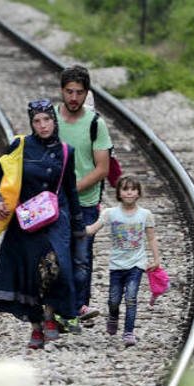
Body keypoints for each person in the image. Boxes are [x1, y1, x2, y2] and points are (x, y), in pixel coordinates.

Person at [0, 98, 82, 349]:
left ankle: (50, 317)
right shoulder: (20, 145)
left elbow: (71, 190)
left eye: (47, 119)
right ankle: (36, 325)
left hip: (55, 218)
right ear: (32, 123)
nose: (43, 125)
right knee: (28, 273)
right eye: (37, 121)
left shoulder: (66, 151)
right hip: (25, 218)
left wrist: (78, 226)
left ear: (54, 120)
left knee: (55, 266)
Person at [55, 65, 112, 327]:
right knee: (56, 255)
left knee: (81, 257)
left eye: (79, 92)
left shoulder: (95, 124)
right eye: (69, 92)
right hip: (54, 202)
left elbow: (103, 168)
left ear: (86, 93)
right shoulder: (51, 119)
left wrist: (72, 187)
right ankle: (60, 308)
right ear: (62, 92)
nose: (74, 97)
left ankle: (78, 307)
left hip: (85, 202)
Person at [84, 175, 162, 346]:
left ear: (139, 193)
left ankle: (128, 332)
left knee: (131, 298)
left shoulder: (145, 215)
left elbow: (151, 238)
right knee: (114, 299)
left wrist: (156, 259)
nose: (129, 193)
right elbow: (92, 229)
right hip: (116, 265)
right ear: (119, 192)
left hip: (137, 264)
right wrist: (75, 227)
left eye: (133, 189)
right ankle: (113, 316)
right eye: (125, 189)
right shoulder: (110, 213)